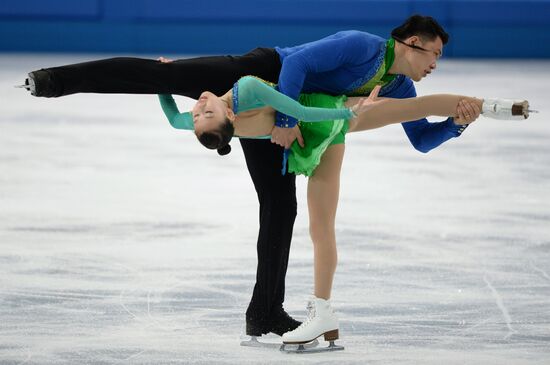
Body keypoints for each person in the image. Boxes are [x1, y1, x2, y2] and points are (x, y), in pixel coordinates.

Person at [21, 15, 486, 341]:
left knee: (281, 210)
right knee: (160, 75)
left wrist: (458, 122)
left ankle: (264, 314)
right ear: (410, 43)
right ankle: (54, 81)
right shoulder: (364, 45)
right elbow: (298, 63)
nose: (435, 65)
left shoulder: (400, 87)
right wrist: (286, 122)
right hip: (256, 77)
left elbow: (422, 140)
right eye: (434, 54)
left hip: (281, 116)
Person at [156, 74, 531, 346]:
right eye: (205, 114)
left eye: (199, 112)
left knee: (322, 227)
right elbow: (302, 108)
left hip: (316, 138)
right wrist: (350, 115)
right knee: (413, 108)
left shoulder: (226, 111)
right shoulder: (248, 89)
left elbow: (175, 117)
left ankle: (488, 109)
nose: (199, 108)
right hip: (325, 118)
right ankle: (494, 107)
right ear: (229, 120)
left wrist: (161, 80)